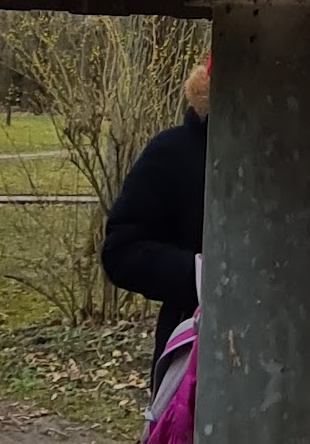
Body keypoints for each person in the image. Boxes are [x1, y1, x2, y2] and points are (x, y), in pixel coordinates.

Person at [101, 55, 208, 381]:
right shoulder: (172, 152)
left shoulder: (308, 156)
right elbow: (121, 251)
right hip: (195, 357)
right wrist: (202, 274)